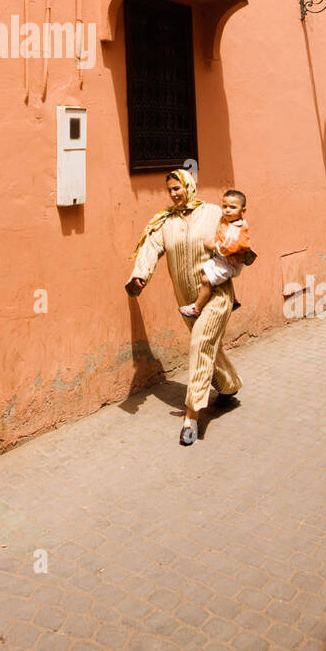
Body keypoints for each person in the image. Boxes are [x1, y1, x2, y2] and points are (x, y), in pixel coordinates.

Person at [125, 169, 242, 447]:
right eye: (170, 190)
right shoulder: (165, 222)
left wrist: (241, 252)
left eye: (178, 187)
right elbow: (150, 247)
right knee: (207, 346)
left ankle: (191, 416)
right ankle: (229, 386)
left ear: (189, 186)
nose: (175, 193)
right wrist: (140, 274)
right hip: (187, 302)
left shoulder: (214, 213)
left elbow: (237, 230)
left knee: (200, 344)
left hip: (216, 295)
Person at [180, 189, 251, 319]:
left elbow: (229, 247)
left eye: (233, 207)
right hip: (225, 259)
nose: (227, 210)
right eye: (225, 206)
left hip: (229, 261)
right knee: (211, 270)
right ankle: (234, 300)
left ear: (243, 211)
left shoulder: (236, 228)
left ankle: (197, 307)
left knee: (206, 280)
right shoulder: (229, 220)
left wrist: (212, 245)